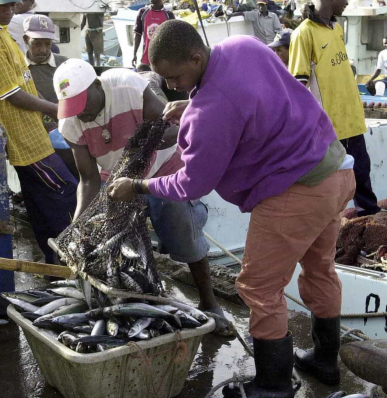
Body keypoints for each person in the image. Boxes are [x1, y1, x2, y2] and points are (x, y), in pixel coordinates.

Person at [107, 20, 355, 397]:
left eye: (176, 76)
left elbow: (191, 183)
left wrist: (138, 185)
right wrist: (192, 101)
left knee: (257, 286)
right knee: (320, 268)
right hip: (336, 170)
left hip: (296, 192)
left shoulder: (211, 112)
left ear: (195, 56)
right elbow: (246, 93)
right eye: (165, 81)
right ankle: (325, 361)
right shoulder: (243, 46)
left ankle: (272, 387)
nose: (172, 85)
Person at [53, 59, 234, 336]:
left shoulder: (128, 87)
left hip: (162, 170)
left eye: (83, 104)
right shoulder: (71, 124)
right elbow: (88, 179)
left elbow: (172, 127)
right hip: (115, 179)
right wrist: (77, 225)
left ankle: (210, 304)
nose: (80, 114)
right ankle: (140, 304)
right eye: (73, 108)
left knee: (184, 230)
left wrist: (156, 140)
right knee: (115, 248)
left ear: (96, 85)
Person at [0, 0, 77, 264]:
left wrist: (49, 119)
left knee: (40, 204)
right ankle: (69, 260)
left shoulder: (2, 32)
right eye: (2, 5)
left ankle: (53, 262)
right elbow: (12, 94)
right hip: (25, 141)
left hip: (36, 134)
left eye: (11, 5)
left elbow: (26, 85)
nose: (8, 10)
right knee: (67, 194)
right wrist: (55, 109)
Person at [289, 0, 381, 218]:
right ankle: (331, 224)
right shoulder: (303, 34)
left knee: (362, 172)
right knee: (333, 182)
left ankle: (368, 215)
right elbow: (298, 85)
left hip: (351, 118)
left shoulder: (337, 29)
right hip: (329, 125)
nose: (348, 2)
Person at [23, 14, 78, 178]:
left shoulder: (65, 64)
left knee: (72, 177)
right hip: (32, 138)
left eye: (47, 44)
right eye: (37, 44)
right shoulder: (18, 68)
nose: (43, 49)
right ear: (26, 39)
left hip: (65, 137)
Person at [133, 0, 175, 66]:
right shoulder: (142, 12)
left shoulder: (169, 15)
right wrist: (134, 54)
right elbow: (137, 34)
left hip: (163, 61)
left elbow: (172, 38)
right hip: (146, 59)